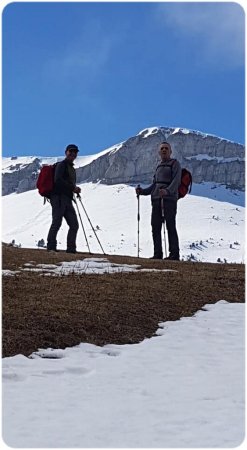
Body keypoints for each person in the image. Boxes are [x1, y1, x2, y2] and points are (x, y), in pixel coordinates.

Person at [136, 142, 181, 260]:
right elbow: (154, 186)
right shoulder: (158, 167)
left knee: (170, 226)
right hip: (156, 200)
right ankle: (158, 254)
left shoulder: (175, 164)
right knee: (155, 227)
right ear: (159, 152)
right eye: (162, 149)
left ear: (171, 151)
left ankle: (174, 254)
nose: (164, 150)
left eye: (166, 148)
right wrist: (142, 191)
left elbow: (176, 181)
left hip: (169, 201)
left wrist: (167, 191)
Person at [47, 144, 81, 253]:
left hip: (66, 198)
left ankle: (71, 249)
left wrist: (73, 189)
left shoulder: (70, 168)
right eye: (71, 151)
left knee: (74, 224)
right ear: (66, 152)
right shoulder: (62, 165)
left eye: (75, 152)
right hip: (58, 197)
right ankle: (51, 247)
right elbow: (58, 180)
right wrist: (73, 188)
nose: (73, 154)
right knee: (57, 222)